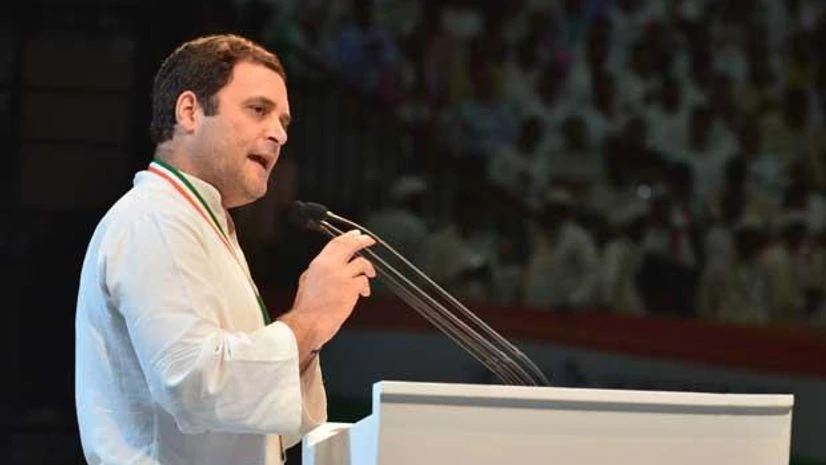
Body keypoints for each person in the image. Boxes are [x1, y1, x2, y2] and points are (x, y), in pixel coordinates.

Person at [74, 34, 376, 465]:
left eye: (284, 123)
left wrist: (311, 338)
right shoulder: (155, 218)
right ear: (190, 111)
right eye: (258, 110)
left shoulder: (199, 222)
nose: (277, 134)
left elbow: (254, 416)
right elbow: (193, 381)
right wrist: (308, 320)